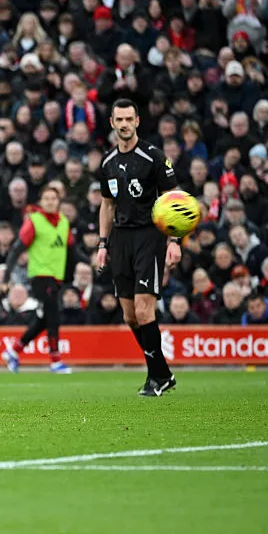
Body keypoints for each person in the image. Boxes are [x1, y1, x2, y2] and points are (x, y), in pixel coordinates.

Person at [96, 99, 180, 397]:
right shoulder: (107, 163)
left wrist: (174, 241)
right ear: (112, 122)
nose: (124, 124)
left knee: (145, 309)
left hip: (149, 236)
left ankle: (156, 378)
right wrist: (103, 244)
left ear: (137, 121)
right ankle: (162, 373)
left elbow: (175, 199)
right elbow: (107, 205)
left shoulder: (154, 157)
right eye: (119, 119)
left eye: (129, 119)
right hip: (120, 239)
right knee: (130, 316)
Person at [1, 186, 72, 374]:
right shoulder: (34, 221)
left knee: (44, 318)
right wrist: (6, 276)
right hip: (40, 276)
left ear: (58, 202)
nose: (50, 201)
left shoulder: (64, 222)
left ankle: (13, 351)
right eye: (46, 198)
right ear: (40, 201)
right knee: (53, 316)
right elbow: (17, 248)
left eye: (53, 198)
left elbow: (71, 249)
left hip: (56, 277)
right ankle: (55, 360)